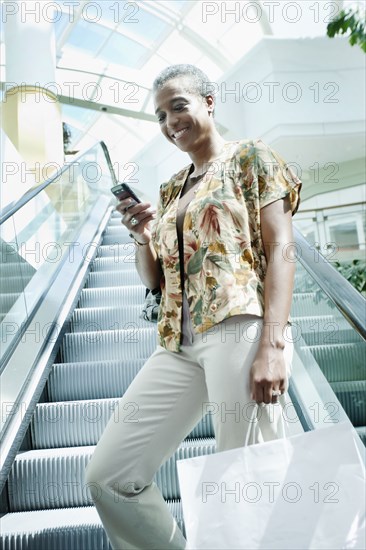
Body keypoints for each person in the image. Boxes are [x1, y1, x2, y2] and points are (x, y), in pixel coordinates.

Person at [85, 64, 302, 549]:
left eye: (177, 106)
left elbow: (281, 247)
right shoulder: (170, 189)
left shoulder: (251, 156)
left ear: (208, 102)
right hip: (176, 342)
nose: (169, 122)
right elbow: (155, 279)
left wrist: (273, 343)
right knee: (108, 476)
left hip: (239, 328)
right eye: (160, 115)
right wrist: (145, 237)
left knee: (244, 479)